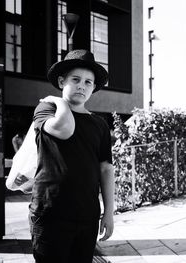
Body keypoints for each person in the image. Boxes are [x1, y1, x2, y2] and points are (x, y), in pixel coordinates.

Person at [28, 49, 114, 263]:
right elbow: (64, 129)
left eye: (88, 82)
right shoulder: (46, 108)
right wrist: (59, 102)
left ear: (94, 88)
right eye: (75, 79)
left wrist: (109, 212)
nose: (81, 86)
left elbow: (106, 169)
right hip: (50, 212)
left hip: (87, 215)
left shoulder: (99, 124)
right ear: (61, 81)